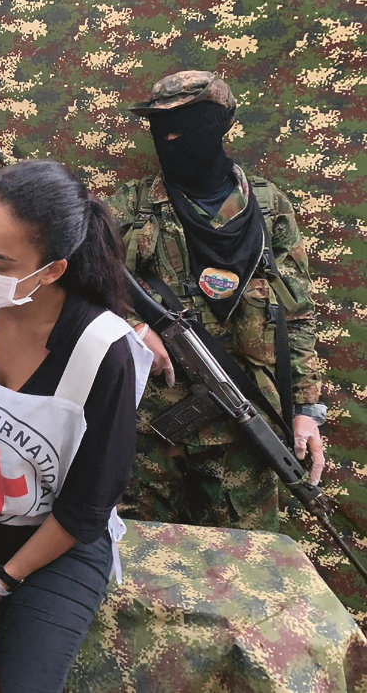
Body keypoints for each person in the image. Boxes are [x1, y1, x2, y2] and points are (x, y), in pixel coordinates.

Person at [0, 160, 152, 693]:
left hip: (59, 547)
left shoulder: (105, 351)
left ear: (51, 271)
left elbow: (88, 506)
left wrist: (4, 578)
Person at [110, 70, 326, 532]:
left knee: (241, 569)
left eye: (187, 125)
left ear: (220, 125)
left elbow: (298, 315)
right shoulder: (131, 206)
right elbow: (82, 286)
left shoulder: (268, 208)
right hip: (151, 426)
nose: (169, 138)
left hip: (246, 423)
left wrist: (306, 412)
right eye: (158, 127)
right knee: (138, 552)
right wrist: (134, 328)